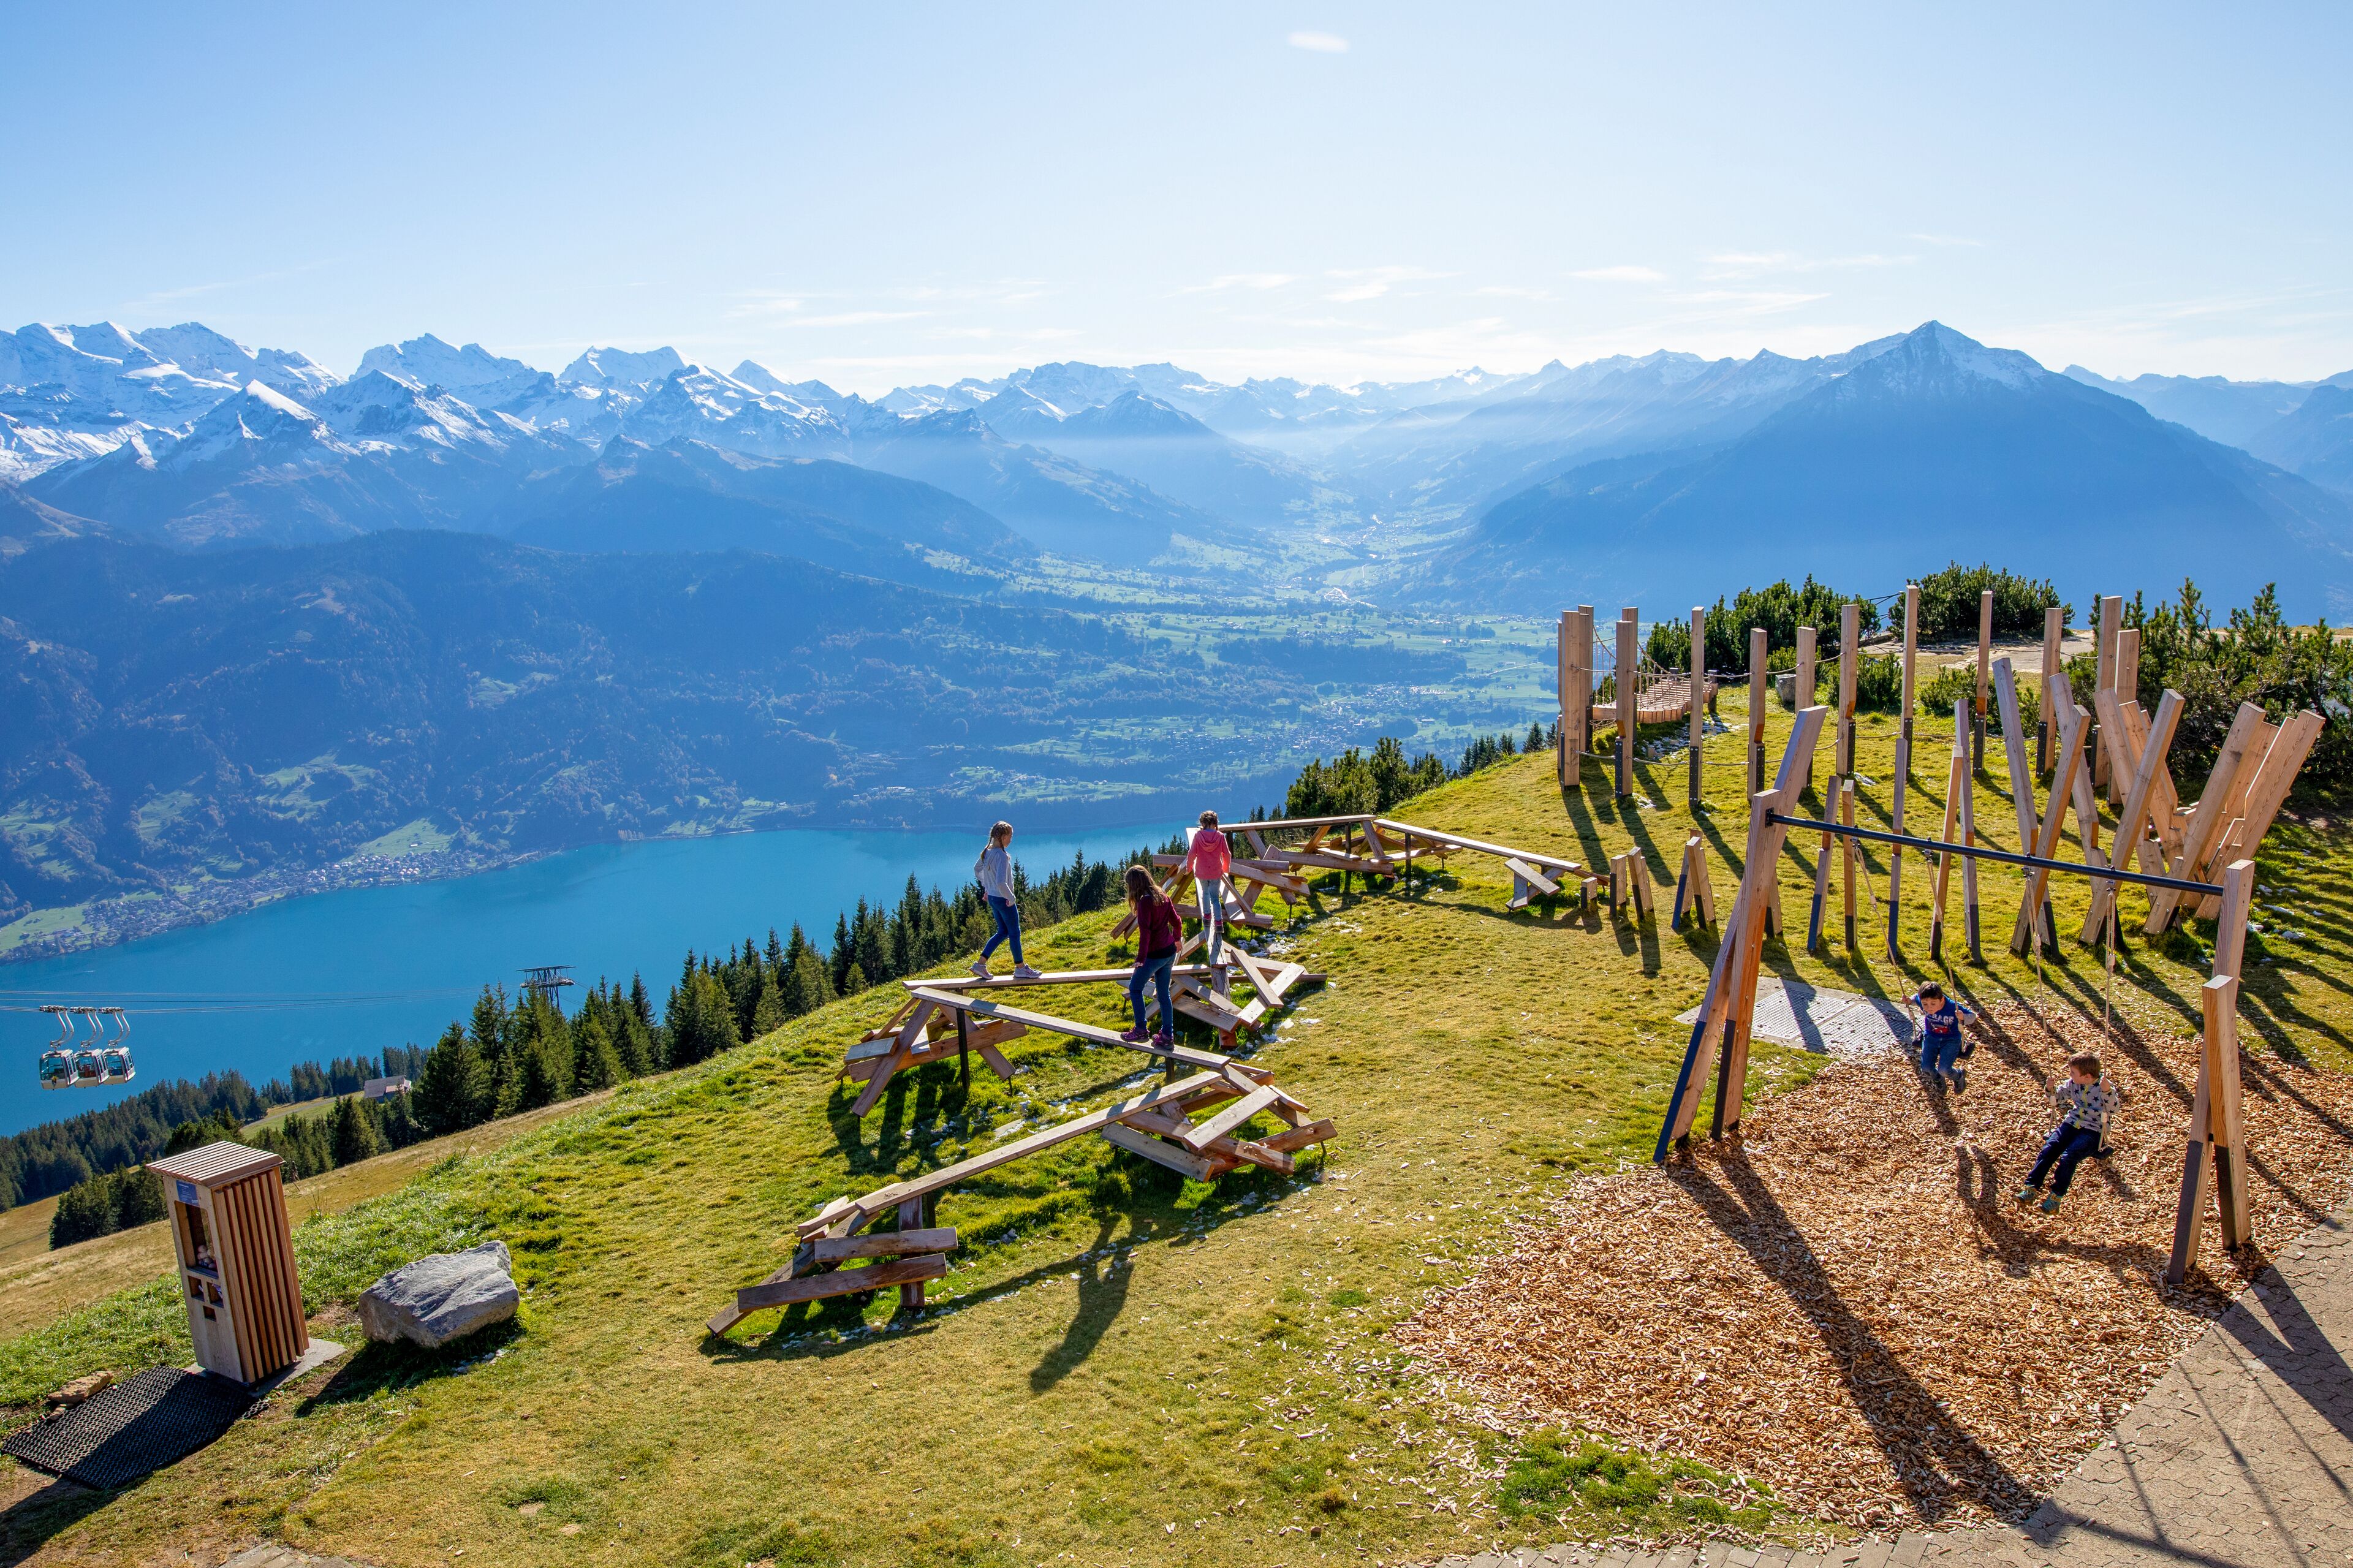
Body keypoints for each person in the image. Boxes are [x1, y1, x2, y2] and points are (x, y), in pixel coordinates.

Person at [2017, 1052, 2121, 1214]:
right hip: (2073, 1123)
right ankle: (2031, 1188)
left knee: (2069, 1156)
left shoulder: (2104, 1087)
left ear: (2087, 1077)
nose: (2070, 1075)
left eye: (2073, 1072)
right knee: (2050, 1148)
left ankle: (2055, 1197)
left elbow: (2114, 1109)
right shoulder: (2073, 1083)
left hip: (2094, 1130)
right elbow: (2057, 1098)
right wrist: (2050, 1089)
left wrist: (2108, 1092)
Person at [971, 821, 1043, 981]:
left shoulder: (987, 852)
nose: (1011, 840)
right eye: (1010, 836)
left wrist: (987, 888)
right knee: (1015, 933)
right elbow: (1001, 882)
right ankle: (1020, 968)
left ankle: (980, 964)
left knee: (1002, 932)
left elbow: (977, 870)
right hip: (1003, 900)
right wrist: (1011, 898)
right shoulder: (1001, 856)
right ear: (1003, 837)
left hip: (993, 898)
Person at [1120, 864, 1181, 1048]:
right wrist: (1177, 939)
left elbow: (1145, 933)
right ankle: (1167, 1036)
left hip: (1155, 955)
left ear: (1134, 885)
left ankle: (1140, 1030)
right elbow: (1177, 921)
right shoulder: (1162, 895)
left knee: (1135, 988)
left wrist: (1140, 959)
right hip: (1169, 952)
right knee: (1164, 995)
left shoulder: (1145, 902)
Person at [1184, 809, 1234, 966]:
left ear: (1203, 823)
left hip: (1202, 871)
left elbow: (1192, 853)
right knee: (1215, 898)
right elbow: (1227, 854)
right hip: (1216, 872)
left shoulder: (1198, 836)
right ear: (1215, 823)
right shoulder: (1220, 837)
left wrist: (1189, 868)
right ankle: (1218, 922)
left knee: (1204, 894)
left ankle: (1207, 917)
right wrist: (1226, 869)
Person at [1908, 981, 1979, 1093]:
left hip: (1951, 1039)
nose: (1929, 1008)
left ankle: (1959, 1075)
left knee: (1944, 1070)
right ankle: (1938, 1079)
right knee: (1926, 1069)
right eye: (1925, 1004)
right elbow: (1916, 997)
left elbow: (1973, 1016)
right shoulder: (1924, 1000)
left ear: (1941, 1000)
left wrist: (1963, 1017)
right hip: (1931, 1037)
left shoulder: (1952, 1006)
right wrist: (1910, 1001)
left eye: (1933, 1004)